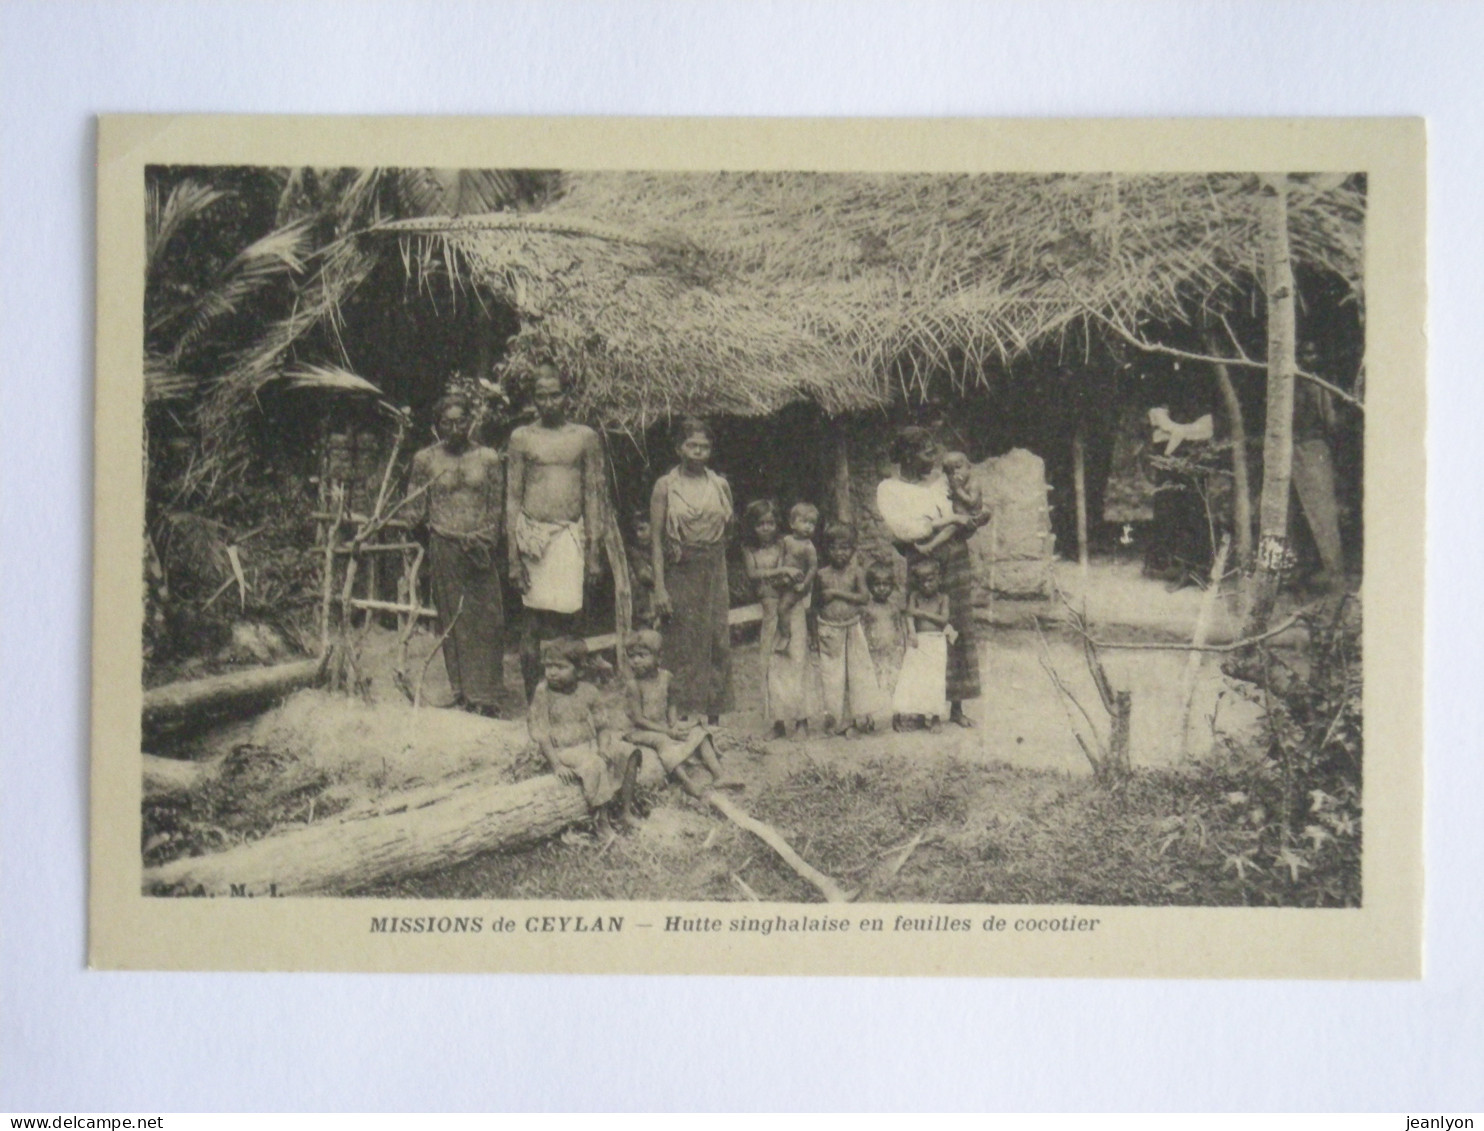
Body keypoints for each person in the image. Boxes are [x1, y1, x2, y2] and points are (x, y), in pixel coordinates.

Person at [506, 363, 604, 700]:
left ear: (567, 397)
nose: (548, 403)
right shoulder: (522, 437)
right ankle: (536, 701)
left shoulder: (584, 437)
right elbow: (513, 498)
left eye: (555, 395)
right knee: (531, 624)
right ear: (533, 399)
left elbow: (592, 495)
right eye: (541, 396)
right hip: (533, 539)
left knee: (572, 623)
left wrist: (593, 552)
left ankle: (569, 698)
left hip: (570, 539)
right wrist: (513, 558)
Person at [875, 426, 982, 727]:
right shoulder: (890, 489)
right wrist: (939, 524)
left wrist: (944, 523)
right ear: (908, 455)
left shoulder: (940, 485)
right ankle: (922, 708)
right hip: (923, 563)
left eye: (934, 451)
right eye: (926, 452)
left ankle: (956, 708)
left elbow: (961, 518)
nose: (934, 459)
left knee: (957, 626)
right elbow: (908, 531)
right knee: (923, 632)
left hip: (956, 559)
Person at [406, 392, 506, 716]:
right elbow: (415, 511)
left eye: (460, 420)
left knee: (489, 618)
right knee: (454, 617)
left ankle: (487, 696)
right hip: (444, 545)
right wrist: (436, 540)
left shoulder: (488, 458)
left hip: (481, 546)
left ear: (471, 421)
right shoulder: (426, 460)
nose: (454, 427)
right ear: (437, 426)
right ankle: (462, 691)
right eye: (447, 422)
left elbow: (496, 506)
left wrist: (485, 539)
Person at [650, 417, 735, 725]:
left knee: (716, 638)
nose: (699, 452)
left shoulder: (719, 485)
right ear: (679, 448)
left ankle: (713, 716)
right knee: (682, 639)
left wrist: (712, 556)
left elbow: (729, 529)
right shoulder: (666, 486)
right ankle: (681, 714)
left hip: (713, 567)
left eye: (705, 446)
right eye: (692, 445)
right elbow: (657, 542)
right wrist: (660, 587)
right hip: (680, 568)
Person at [528, 636, 641, 834]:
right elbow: (542, 733)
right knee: (594, 764)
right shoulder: (543, 692)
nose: (552, 673)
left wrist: (604, 747)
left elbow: (602, 726)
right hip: (563, 750)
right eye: (548, 667)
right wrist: (556, 764)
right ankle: (602, 822)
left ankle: (626, 812)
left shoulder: (588, 691)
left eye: (560, 667)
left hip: (589, 745)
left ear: (579, 670)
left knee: (628, 752)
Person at [621, 629, 741, 797]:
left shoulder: (666, 677)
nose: (635, 661)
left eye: (642, 655)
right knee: (663, 740)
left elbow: (671, 703)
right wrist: (668, 731)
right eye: (631, 656)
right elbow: (639, 719)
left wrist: (673, 723)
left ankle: (719, 774)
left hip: (662, 723)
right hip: (639, 730)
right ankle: (687, 782)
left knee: (698, 730)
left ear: (658, 657)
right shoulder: (634, 686)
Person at [814, 523, 887, 736]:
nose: (840, 553)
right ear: (827, 550)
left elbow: (864, 597)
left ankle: (861, 718)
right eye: (834, 548)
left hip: (852, 628)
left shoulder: (856, 573)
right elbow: (815, 605)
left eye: (845, 548)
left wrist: (837, 593)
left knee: (858, 673)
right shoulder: (822, 575)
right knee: (832, 675)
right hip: (829, 629)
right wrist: (813, 634)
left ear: (853, 549)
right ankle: (836, 720)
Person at [741, 499, 803, 728]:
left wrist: (783, 572)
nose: (766, 528)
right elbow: (752, 574)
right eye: (760, 524)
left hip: (787, 606)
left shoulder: (784, 545)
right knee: (769, 663)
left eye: (770, 523)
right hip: (769, 611)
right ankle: (776, 721)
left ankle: (798, 719)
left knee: (792, 660)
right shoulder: (749, 550)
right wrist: (781, 571)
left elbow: (794, 572)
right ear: (752, 527)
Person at [893, 558, 953, 732]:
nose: (926, 585)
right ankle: (919, 715)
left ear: (939, 579)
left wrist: (922, 613)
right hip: (918, 641)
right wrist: (911, 632)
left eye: (930, 580)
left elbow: (943, 619)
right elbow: (909, 615)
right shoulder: (915, 596)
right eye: (922, 581)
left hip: (936, 641)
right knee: (917, 678)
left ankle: (934, 716)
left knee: (934, 679)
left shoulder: (943, 598)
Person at [861, 559, 905, 722]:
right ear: (870, 586)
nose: (882, 588)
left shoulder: (893, 607)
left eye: (886, 584)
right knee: (872, 684)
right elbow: (863, 629)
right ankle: (869, 717)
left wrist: (901, 646)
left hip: (892, 651)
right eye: (877, 584)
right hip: (873, 653)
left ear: (892, 586)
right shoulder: (867, 608)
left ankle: (897, 715)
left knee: (894, 682)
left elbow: (899, 628)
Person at [772, 502, 820, 654]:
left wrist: (805, 585)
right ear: (792, 523)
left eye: (812, 524)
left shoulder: (808, 547)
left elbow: (813, 568)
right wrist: (779, 571)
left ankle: (786, 636)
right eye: (804, 522)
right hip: (784, 578)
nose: (808, 527)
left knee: (783, 607)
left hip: (797, 583)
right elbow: (781, 556)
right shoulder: (787, 540)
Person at [625, 506, 658, 630]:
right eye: (635, 531)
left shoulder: (666, 547)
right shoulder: (634, 551)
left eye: (642, 529)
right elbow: (643, 575)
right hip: (645, 608)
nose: (638, 535)